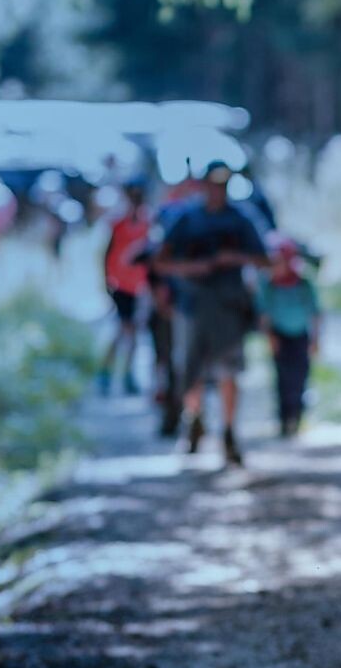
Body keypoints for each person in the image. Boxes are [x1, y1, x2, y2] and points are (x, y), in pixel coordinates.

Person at [154, 160, 269, 467]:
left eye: (223, 184)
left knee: (228, 371)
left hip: (229, 308)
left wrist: (235, 258)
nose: (217, 190)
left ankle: (229, 432)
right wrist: (191, 269)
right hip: (191, 307)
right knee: (190, 369)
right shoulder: (185, 218)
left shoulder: (241, 219)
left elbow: (264, 259)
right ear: (203, 185)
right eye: (213, 184)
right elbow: (160, 261)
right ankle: (194, 422)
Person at [258, 234, 321, 436]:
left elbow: (315, 313)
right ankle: (284, 419)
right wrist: (270, 337)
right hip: (280, 337)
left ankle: (297, 415)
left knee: (299, 377)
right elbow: (264, 314)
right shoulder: (269, 286)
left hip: (300, 337)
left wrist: (315, 339)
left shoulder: (303, 284)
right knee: (282, 379)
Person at [98, 182, 150, 396]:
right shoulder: (118, 223)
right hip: (120, 285)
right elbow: (107, 252)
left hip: (140, 286)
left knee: (133, 332)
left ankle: (127, 374)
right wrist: (106, 281)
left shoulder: (148, 221)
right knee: (123, 330)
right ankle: (106, 373)